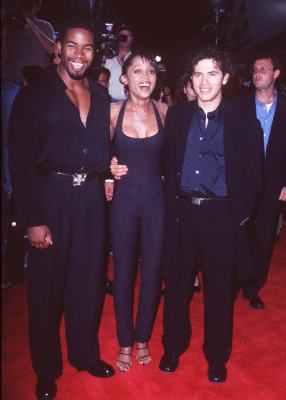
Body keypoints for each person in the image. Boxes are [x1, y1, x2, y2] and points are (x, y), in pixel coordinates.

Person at [8, 18, 115, 400]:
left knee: (87, 284)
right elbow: (19, 161)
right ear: (58, 48)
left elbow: (102, 148)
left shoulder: (100, 96)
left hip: (88, 199)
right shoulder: (35, 93)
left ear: (93, 54)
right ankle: (46, 370)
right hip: (50, 196)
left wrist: (110, 167)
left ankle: (84, 356)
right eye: (72, 45)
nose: (78, 54)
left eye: (87, 48)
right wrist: (32, 219)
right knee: (46, 290)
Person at [158, 47, 263, 383]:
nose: (204, 81)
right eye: (198, 74)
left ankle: (216, 356)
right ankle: (173, 346)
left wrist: (237, 216)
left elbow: (254, 177)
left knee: (219, 290)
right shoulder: (176, 117)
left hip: (222, 217)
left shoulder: (244, 122)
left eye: (212, 73)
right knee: (176, 286)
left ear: (226, 78)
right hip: (182, 215)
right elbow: (165, 165)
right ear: (191, 78)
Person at [106, 50, 168, 372]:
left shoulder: (165, 112)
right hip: (124, 205)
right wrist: (108, 168)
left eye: (151, 72)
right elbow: (94, 153)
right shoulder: (112, 113)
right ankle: (125, 341)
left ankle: (143, 337)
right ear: (125, 78)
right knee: (124, 275)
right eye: (138, 72)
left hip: (157, 204)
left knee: (153, 272)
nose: (146, 77)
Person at [240, 53, 286, 309]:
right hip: (243, 183)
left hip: (273, 185)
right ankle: (235, 281)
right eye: (255, 69)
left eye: (264, 69)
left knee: (264, 238)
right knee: (239, 235)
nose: (257, 73)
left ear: (276, 74)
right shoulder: (239, 105)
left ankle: (253, 287)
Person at [104, 24, 134, 102]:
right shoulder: (108, 57)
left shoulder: (136, 59)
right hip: (110, 101)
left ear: (132, 39)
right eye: (122, 36)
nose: (125, 38)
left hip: (130, 102)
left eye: (128, 36)